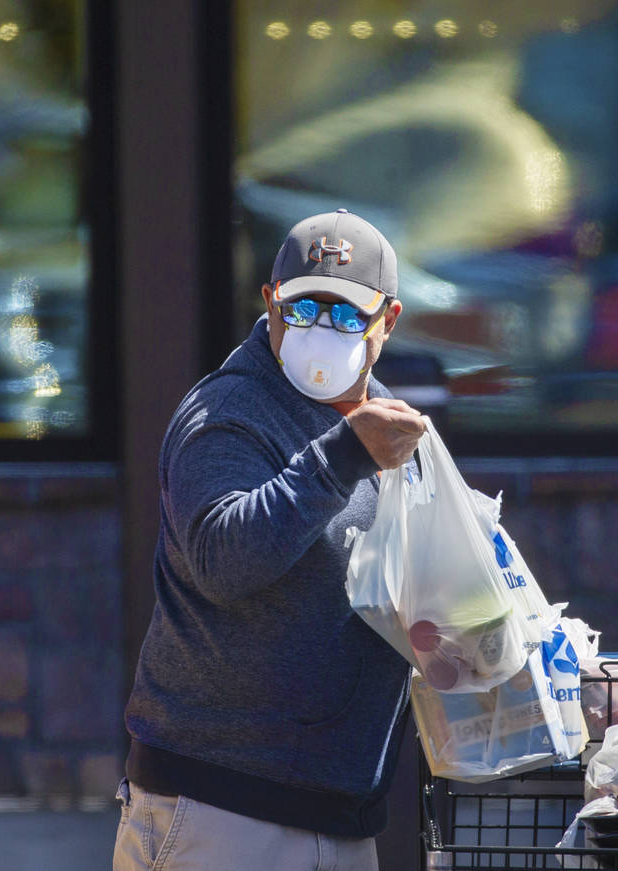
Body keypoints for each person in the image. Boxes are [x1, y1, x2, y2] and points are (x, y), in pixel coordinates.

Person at [113, 209, 426, 870]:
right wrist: (342, 456)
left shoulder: (385, 423)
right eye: (302, 307)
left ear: (387, 321)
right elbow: (224, 560)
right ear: (270, 302)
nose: (319, 329)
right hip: (223, 812)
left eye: (345, 315)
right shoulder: (226, 412)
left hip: (339, 816)